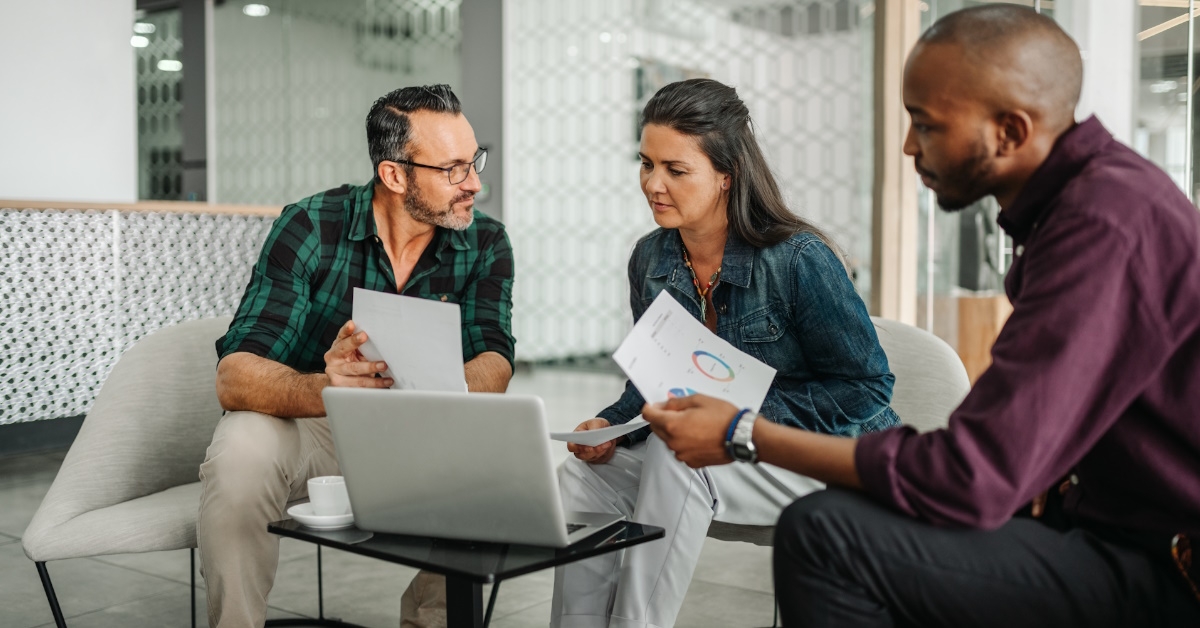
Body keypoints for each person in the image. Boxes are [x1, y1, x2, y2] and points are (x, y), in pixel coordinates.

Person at [642, 7, 1200, 628]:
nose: (908, 146)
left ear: (1009, 132)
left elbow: (973, 475)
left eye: (926, 125)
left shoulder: (1104, 226)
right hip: (1099, 520)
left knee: (827, 536)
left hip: (1166, 564)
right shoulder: (1087, 206)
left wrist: (746, 432)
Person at [551, 78, 900, 628]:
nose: (652, 184)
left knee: (679, 453)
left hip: (820, 458)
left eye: (675, 169)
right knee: (581, 482)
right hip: (729, 456)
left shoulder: (797, 258)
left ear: (725, 175)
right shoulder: (650, 259)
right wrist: (612, 425)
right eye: (646, 163)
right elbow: (654, 381)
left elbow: (866, 389)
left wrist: (737, 418)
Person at [198, 84, 515, 628]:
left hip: (421, 429)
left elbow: (496, 355)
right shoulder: (309, 226)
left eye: (475, 161)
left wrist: (443, 393)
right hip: (317, 425)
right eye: (454, 169)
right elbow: (235, 376)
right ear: (395, 176)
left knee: (501, 463)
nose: (475, 184)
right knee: (241, 448)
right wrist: (325, 385)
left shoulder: (485, 242)